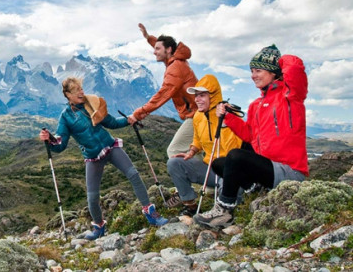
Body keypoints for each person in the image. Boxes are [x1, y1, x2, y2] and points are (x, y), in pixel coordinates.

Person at [194, 45, 308, 229]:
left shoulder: (290, 96)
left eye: (258, 70)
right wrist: (229, 117)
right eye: (252, 71)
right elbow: (249, 135)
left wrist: (278, 61)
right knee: (219, 164)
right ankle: (255, 189)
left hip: (289, 171)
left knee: (236, 156)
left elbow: (295, 68)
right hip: (267, 169)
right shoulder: (256, 105)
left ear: (273, 72)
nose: (253, 75)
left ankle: (224, 210)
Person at [40, 77, 168, 240]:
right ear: (67, 95)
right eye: (76, 90)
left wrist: (129, 120)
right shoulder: (65, 117)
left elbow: (112, 122)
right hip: (93, 157)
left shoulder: (92, 102)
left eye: (81, 88)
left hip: (110, 146)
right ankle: (99, 227)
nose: (81, 92)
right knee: (92, 198)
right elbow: (60, 144)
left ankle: (150, 213)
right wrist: (49, 139)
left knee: (134, 175)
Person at [165, 74, 243, 216]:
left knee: (231, 195)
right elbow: (198, 139)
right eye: (196, 96)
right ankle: (190, 205)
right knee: (174, 163)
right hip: (210, 169)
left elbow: (235, 149)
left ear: (212, 97)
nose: (197, 100)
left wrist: (225, 123)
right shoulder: (198, 116)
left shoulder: (230, 115)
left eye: (202, 95)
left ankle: (226, 211)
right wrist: (192, 151)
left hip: (230, 171)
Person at [128, 23, 198, 158]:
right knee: (194, 154)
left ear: (169, 50)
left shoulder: (175, 68)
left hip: (196, 115)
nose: (154, 52)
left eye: (157, 49)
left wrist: (138, 114)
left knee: (174, 151)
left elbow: (162, 95)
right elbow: (161, 47)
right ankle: (206, 177)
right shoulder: (175, 60)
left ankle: (201, 178)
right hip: (197, 113)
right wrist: (148, 37)